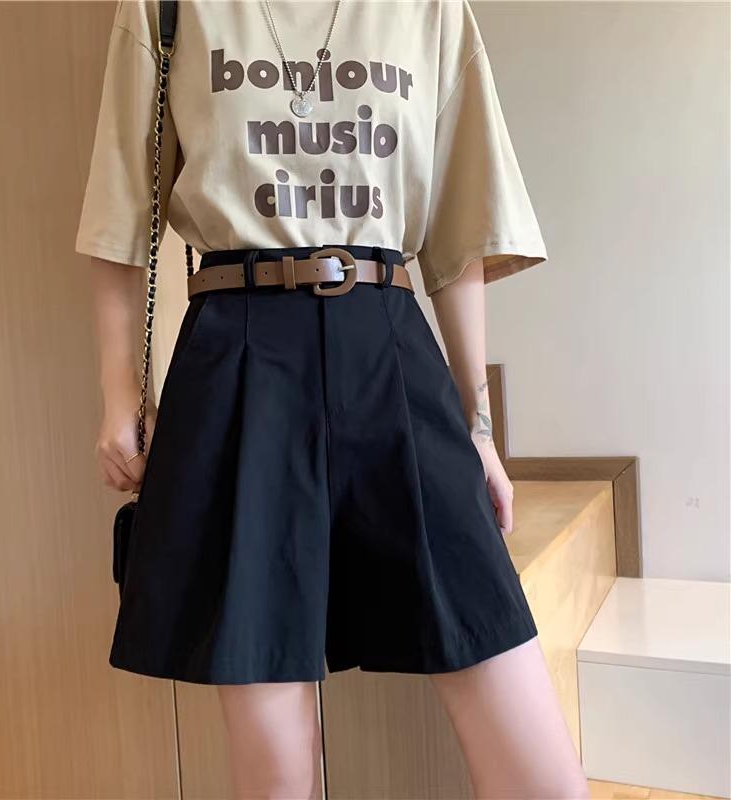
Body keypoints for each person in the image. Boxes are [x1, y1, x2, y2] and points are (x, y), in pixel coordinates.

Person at [75, 1, 589, 797]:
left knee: (530, 748)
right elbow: (121, 209)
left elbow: (459, 234)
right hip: (238, 357)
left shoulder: (428, 10)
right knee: (275, 764)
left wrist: (478, 424)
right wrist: (120, 395)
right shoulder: (170, 7)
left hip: (387, 339)